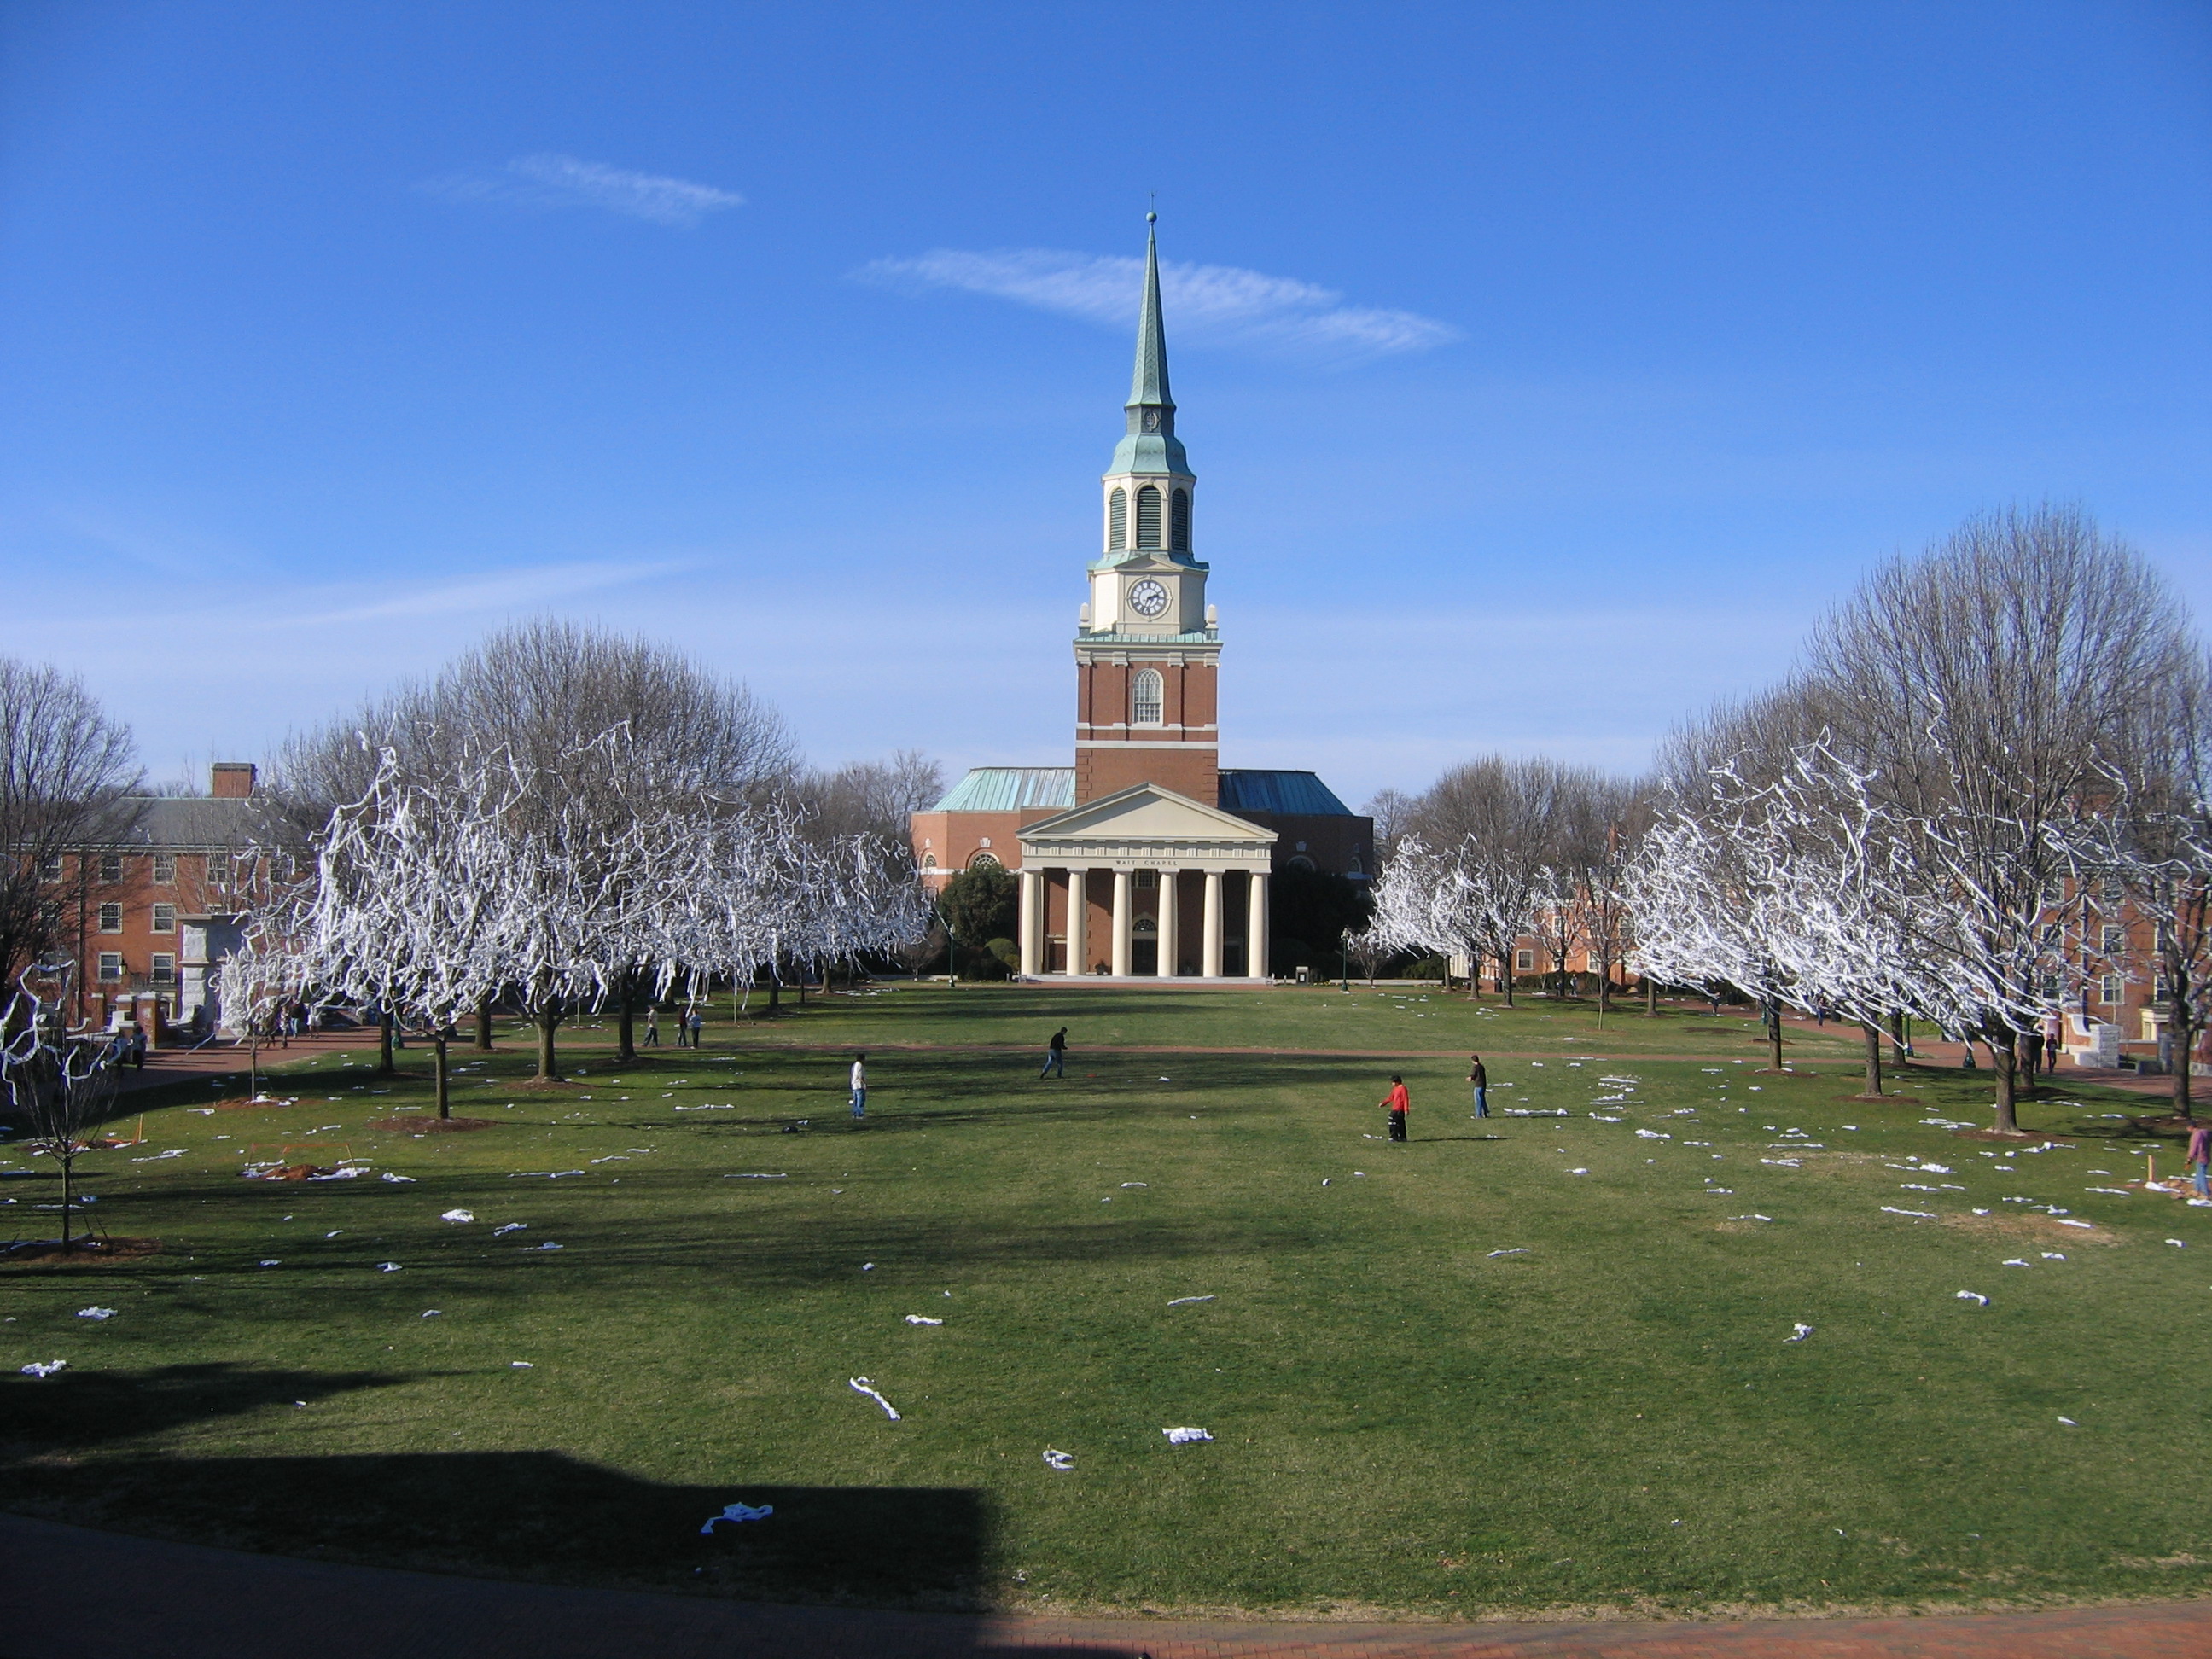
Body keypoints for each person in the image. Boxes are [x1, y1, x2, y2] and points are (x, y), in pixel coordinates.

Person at [1381, 1074, 1410, 1141]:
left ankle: (1394, 1137)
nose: (1392, 1084)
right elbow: (1391, 1097)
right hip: (1395, 1108)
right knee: (1400, 1123)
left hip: (1399, 1109)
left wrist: (1406, 1109)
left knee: (1392, 1120)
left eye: (1393, 1082)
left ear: (1397, 1082)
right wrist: (1384, 1103)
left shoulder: (1403, 1089)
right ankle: (1402, 1137)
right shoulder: (1395, 1089)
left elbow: (1405, 1099)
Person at [2190, 1119, 2211, 1200]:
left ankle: (2206, 1193)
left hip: (2200, 1157)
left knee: (2201, 1174)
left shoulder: (2196, 1135)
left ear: (2191, 1127)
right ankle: (2196, 1190)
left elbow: (2194, 1147)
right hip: (2206, 1156)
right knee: (2199, 1173)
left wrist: (2190, 1157)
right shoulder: (2205, 1132)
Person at [1468, 1053, 1488, 1119]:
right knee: (1482, 1099)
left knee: (1478, 1100)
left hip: (1478, 1085)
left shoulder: (1475, 1067)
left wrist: (1469, 1078)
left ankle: (1478, 1115)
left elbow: (1473, 1075)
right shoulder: (1481, 1067)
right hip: (1483, 1085)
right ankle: (1486, 1113)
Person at [850, 1052, 867, 1120]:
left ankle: (855, 1113)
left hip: (854, 1084)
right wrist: (865, 1083)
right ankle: (860, 1114)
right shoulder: (859, 1065)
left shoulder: (854, 1065)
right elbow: (860, 1075)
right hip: (859, 1085)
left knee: (856, 1100)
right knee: (860, 1100)